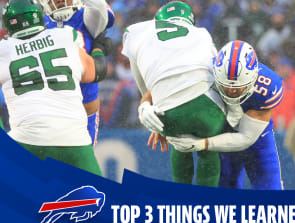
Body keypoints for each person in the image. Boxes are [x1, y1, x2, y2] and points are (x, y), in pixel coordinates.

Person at [0, 0, 110, 175]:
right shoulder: (66, 36)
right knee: (94, 196)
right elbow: (98, 71)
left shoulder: (3, 50)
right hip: (73, 136)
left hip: (26, 138)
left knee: (18, 198)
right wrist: (98, 49)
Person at [122, 1, 225, 187]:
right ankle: (207, 207)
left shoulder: (137, 32)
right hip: (207, 106)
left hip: (169, 113)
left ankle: (181, 201)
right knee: (209, 150)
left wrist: (155, 115)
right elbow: (216, 73)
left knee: (179, 142)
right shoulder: (202, 34)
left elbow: (146, 86)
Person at [168, 40, 284, 190]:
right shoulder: (202, 73)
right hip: (220, 135)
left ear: (252, 79)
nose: (231, 91)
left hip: (257, 140)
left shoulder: (267, 87)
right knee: (225, 203)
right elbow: (167, 88)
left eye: (237, 88)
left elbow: (246, 138)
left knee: (271, 200)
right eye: (226, 86)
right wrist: (159, 119)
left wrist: (203, 143)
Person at [40, 0, 115, 147]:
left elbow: (100, 8)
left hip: (85, 107)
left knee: (84, 165)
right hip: (52, 110)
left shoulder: (86, 17)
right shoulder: (39, 25)